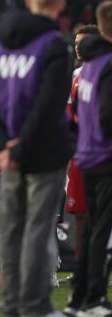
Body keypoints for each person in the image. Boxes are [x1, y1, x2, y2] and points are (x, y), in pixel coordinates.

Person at [0, 0, 75, 317]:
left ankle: (12, 304)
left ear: (29, 0)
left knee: (12, 227)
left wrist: (5, 145)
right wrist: (20, 147)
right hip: (43, 150)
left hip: (9, 154)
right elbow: (49, 105)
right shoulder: (55, 45)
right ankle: (35, 307)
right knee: (37, 228)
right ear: (60, 3)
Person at [65, 0, 112, 317]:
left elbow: (74, 117)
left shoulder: (88, 68)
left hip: (87, 156)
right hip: (106, 157)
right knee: (103, 231)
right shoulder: (107, 64)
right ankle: (95, 296)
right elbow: (107, 115)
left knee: (92, 228)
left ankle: (78, 297)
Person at [65, 24, 100, 252]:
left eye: (83, 43)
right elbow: (69, 115)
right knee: (79, 213)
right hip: (79, 154)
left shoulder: (106, 72)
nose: (78, 47)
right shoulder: (75, 76)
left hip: (103, 152)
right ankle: (81, 265)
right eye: (76, 43)